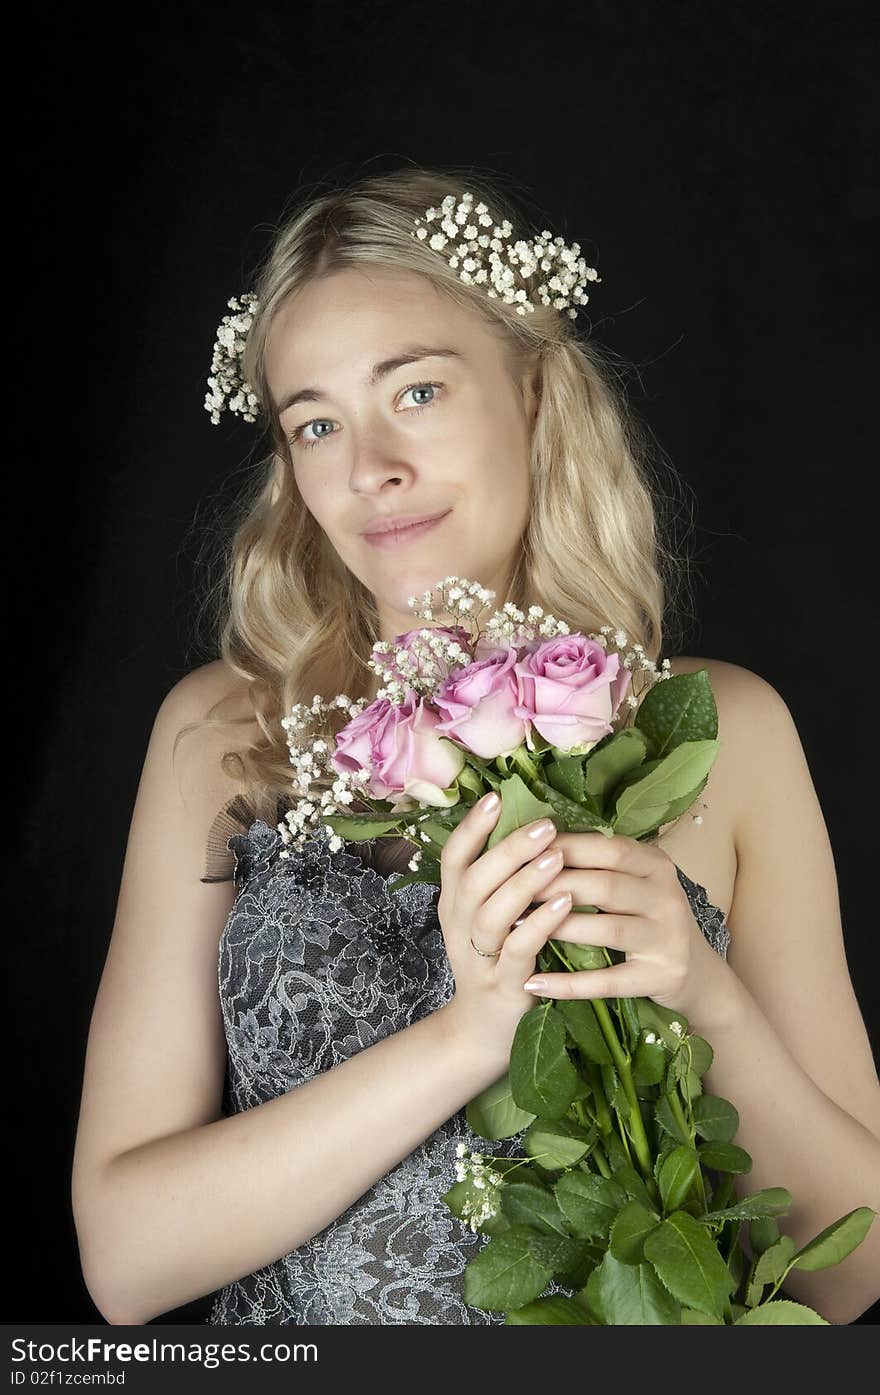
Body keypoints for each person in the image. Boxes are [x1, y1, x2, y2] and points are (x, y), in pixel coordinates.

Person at [71, 166, 880, 1327]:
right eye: (317, 423)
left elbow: (844, 1280)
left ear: (536, 395)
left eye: (417, 393)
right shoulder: (221, 737)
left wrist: (709, 1000)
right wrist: (469, 1034)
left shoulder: (724, 732)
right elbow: (125, 1264)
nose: (369, 471)